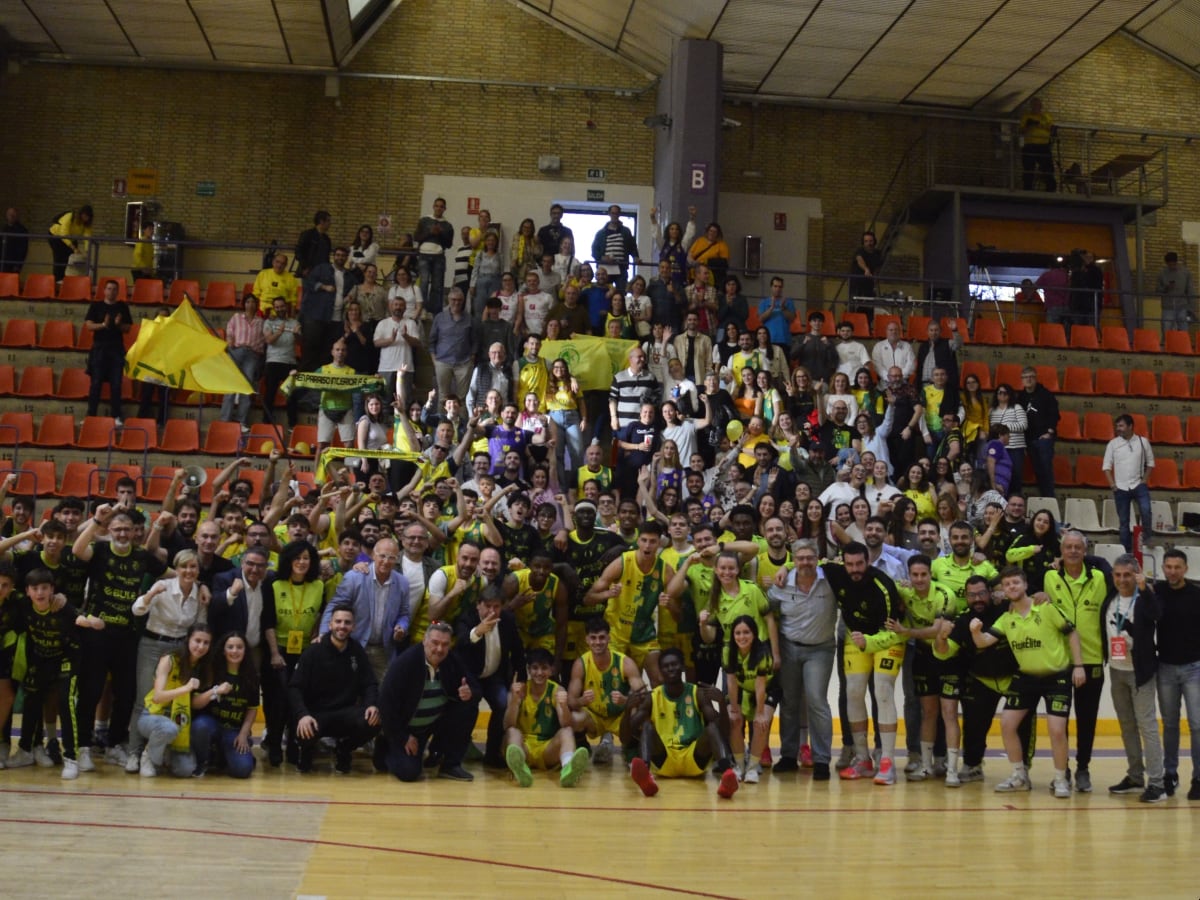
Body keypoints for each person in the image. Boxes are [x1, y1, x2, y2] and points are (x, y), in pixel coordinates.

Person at [971, 566, 1085, 797]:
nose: (1011, 587)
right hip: (1026, 677)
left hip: (1057, 676)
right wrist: (975, 631)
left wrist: (1079, 666)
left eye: (1015, 582)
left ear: (1024, 585)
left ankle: (1061, 779)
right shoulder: (1006, 618)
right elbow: (983, 642)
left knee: (1056, 730)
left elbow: (1071, 633)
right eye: (1007, 584)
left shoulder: (1045, 608)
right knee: (1007, 724)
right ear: (1002, 590)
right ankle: (1019, 775)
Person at [72, 506, 168, 769]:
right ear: (110, 531)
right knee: (90, 692)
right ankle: (83, 747)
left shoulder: (141, 556)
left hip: (126, 636)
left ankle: (115, 744)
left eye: (127, 529)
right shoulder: (101, 551)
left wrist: (197, 583)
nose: (123, 534)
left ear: (134, 533)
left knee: (125, 693)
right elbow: (78, 550)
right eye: (118, 529)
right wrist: (96, 520)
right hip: (96, 633)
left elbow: (168, 574)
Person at [627, 647, 739, 798]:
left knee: (712, 728)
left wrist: (722, 705)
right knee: (647, 726)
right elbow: (627, 736)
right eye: (666, 666)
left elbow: (722, 732)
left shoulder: (697, 693)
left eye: (674, 664)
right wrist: (628, 709)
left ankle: (727, 775)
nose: (671, 669)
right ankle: (645, 776)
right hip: (665, 759)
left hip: (694, 758)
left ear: (682, 667)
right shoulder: (653, 696)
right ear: (660, 671)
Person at [378, 621, 478, 782]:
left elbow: (474, 687)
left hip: (431, 725)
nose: (439, 649)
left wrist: (469, 692)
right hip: (405, 729)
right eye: (435, 643)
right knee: (409, 773)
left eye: (445, 644)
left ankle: (450, 764)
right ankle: (386, 750)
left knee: (468, 707)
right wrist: (403, 737)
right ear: (424, 641)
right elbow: (385, 704)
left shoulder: (451, 660)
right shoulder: (405, 663)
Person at [288, 604, 381, 773]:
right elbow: (295, 688)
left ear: (353, 626)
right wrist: (302, 715)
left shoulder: (357, 651)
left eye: (347, 622)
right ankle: (307, 749)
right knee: (302, 725)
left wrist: (372, 705)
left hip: (346, 713)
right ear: (330, 624)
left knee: (373, 721)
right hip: (316, 714)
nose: (342, 626)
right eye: (338, 621)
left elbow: (369, 683)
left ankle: (344, 748)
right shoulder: (312, 652)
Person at [1103, 553, 1166, 802]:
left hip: (1140, 672)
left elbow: (1157, 614)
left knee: (1147, 726)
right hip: (1116, 670)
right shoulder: (1111, 596)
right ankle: (1135, 776)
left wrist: (1145, 588)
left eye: (1127, 574)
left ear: (1136, 573)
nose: (1122, 579)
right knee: (1127, 726)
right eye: (1118, 575)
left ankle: (1157, 783)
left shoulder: (1145, 598)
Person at [501, 647, 590, 787]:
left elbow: (565, 723)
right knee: (512, 732)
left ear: (551, 670)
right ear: (529, 670)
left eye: (544, 668)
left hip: (547, 749)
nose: (539, 673)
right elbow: (507, 725)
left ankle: (568, 768)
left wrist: (564, 706)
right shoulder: (519, 689)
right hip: (524, 747)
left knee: (566, 731)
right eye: (535, 668)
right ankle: (519, 767)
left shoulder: (557, 690)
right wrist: (514, 701)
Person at [133, 623, 212, 778]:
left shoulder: (203, 667)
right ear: (188, 639)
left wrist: (214, 692)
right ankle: (149, 757)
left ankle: (167, 751)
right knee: (168, 728)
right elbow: (158, 696)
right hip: (152, 717)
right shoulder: (169, 660)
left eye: (206, 643)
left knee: (186, 770)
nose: (201, 646)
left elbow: (194, 703)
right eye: (197, 641)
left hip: (180, 722)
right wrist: (186, 688)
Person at [1153, 549, 1200, 799]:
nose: (1172, 571)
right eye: (1168, 566)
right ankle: (1170, 774)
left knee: (1197, 724)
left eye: (1177, 567)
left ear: (1186, 569)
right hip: (1165, 668)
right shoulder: (1156, 592)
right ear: (1163, 568)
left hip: (1194, 668)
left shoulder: (1196, 595)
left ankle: (1199, 777)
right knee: (1170, 725)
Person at [567, 615, 644, 765]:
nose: (598, 642)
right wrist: (581, 701)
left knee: (637, 713)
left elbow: (645, 697)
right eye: (593, 638)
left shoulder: (625, 662)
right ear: (587, 640)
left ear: (609, 638)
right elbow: (570, 701)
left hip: (619, 717)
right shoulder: (581, 663)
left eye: (602, 638)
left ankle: (630, 748)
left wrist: (626, 701)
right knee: (574, 717)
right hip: (594, 717)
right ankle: (582, 746)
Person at [189, 631, 259, 778]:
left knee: (243, 770)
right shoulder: (212, 671)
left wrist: (243, 734)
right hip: (212, 724)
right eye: (230, 647)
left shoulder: (251, 676)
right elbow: (194, 704)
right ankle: (203, 761)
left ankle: (224, 754)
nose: (235, 651)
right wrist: (215, 691)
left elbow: (252, 709)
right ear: (223, 650)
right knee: (200, 726)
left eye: (239, 647)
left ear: (245, 650)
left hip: (234, 730)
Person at [1103, 414, 1155, 553]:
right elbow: (1106, 466)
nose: (1118, 428)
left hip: (1139, 484)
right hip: (1120, 487)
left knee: (1145, 510)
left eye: (1121, 426)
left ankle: (1148, 537)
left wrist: (1144, 480)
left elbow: (1150, 463)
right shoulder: (1113, 444)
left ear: (1130, 426)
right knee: (1124, 522)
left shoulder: (1143, 442)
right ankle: (1126, 550)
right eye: (1117, 426)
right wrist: (1112, 485)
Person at [84, 279, 132, 424]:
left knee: (116, 384)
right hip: (99, 349)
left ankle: (116, 416)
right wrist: (104, 325)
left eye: (114, 289)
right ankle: (91, 415)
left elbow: (128, 329)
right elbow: (89, 326)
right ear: (104, 291)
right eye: (109, 289)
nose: (111, 292)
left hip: (116, 349)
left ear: (118, 292)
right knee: (96, 383)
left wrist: (118, 325)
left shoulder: (122, 307)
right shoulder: (96, 306)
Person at [219, 291, 265, 429]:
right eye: (247, 302)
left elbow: (264, 339)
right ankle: (225, 420)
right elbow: (229, 331)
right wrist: (230, 341)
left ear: (256, 305)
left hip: (252, 354)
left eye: (253, 302)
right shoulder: (236, 317)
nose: (250, 304)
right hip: (236, 351)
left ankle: (241, 420)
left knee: (247, 387)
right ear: (244, 304)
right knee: (231, 385)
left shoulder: (261, 322)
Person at [429, 288, 476, 404]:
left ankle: (462, 422)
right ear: (448, 300)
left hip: (464, 363)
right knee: (443, 397)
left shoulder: (470, 319)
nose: (456, 302)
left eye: (459, 300)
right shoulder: (439, 318)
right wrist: (434, 360)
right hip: (442, 361)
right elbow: (431, 340)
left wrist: (472, 358)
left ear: (463, 301)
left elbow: (475, 341)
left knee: (463, 398)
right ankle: (442, 422)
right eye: (454, 300)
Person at [415, 198, 453, 315]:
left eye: (441, 206)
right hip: (424, 254)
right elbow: (416, 237)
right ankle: (422, 309)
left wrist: (440, 234)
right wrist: (430, 233)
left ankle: (435, 311)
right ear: (433, 206)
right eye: (437, 206)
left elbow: (448, 244)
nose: (438, 208)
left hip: (438, 256)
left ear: (444, 209)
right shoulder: (424, 220)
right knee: (424, 282)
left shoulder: (447, 225)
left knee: (437, 285)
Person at [591, 205, 638, 292]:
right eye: (613, 213)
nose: (614, 215)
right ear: (609, 214)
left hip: (621, 267)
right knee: (604, 291)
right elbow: (594, 250)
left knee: (621, 291)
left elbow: (632, 246)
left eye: (616, 213)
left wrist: (635, 257)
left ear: (619, 214)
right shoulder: (601, 233)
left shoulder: (626, 231)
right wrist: (602, 257)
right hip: (605, 268)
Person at [48, 204, 93, 281]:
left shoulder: (86, 224)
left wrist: (87, 250)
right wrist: (73, 247)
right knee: (59, 257)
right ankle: (57, 280)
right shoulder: (70, 217)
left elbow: (87, 237)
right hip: (56, 236)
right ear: (81, 214)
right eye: (85, 216)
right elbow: (64, 234)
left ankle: (63, 278)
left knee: (68, 257)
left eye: (88, 217)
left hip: (71, 238)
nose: (86, 218)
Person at [1019, 97, 1055, 191]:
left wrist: (1040, 124)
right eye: (1034, 105)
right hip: (1030, 145)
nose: (1036, 107)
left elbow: (1051, 129)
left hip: (1043, 146)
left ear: (1041, 106)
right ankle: (1027, 190)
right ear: (1031, 106)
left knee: (1048, 169)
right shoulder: (1026, 117)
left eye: (1038, 105)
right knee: (1028, 169)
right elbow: (1021, 131)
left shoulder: (1046, 116)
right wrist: (1029, 125)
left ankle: (1051, 191)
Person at [1156, 251, 1194, 332]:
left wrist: (1191, 307)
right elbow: (1157, 290)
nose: (1172, 267)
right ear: (1166, 263)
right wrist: (1166, 288)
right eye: (1170, 265)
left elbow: (1190, 290)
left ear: (1177, 262)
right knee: (1166, 330)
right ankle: (1167, 344)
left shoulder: (1185, 273)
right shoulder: (1162, 274)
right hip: (1168, 307)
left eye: (1174, 264)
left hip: (1182, 306)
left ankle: (1182, 344)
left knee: (1184, 330)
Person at [849, 231, 882, 318]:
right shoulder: (860, 251)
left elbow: (878, 267)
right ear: (863, 242)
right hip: (857, 284)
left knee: (869, 308)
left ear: (874, 241)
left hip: (869, 285)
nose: (869, 243)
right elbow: (859, 259)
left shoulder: (877, 253)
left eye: (870, 241)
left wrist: (875, 279)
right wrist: (866, 269)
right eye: (866, 241)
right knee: (855, 307)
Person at [757, 277, 795, 347]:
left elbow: (792, 319)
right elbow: (760, 319)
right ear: (771, 287)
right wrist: (771, 308)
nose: (778, 289)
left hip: (785, 340)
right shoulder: (764, 302)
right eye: (775, 286)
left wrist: (783, 308)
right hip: (768, 340)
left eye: (780, 287)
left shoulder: (788, 301)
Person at [294, 211, 331, 277]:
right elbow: (299, 251)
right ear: (321, 221)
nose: (330, 223)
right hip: (308, 271)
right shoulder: (308, 235)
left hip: (322, 272)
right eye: (328, 221)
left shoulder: (326, 239)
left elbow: (326, 256)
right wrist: (305, 267)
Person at [0, 206, 29, 273]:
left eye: (13, 214)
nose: (11, 216)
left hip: (13, 263)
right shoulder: (3, 229)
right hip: (2, 262)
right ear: (6, 215)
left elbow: (23, 249)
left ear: (17, 216)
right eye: (9, 214)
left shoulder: (22, 230)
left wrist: (18, 265)